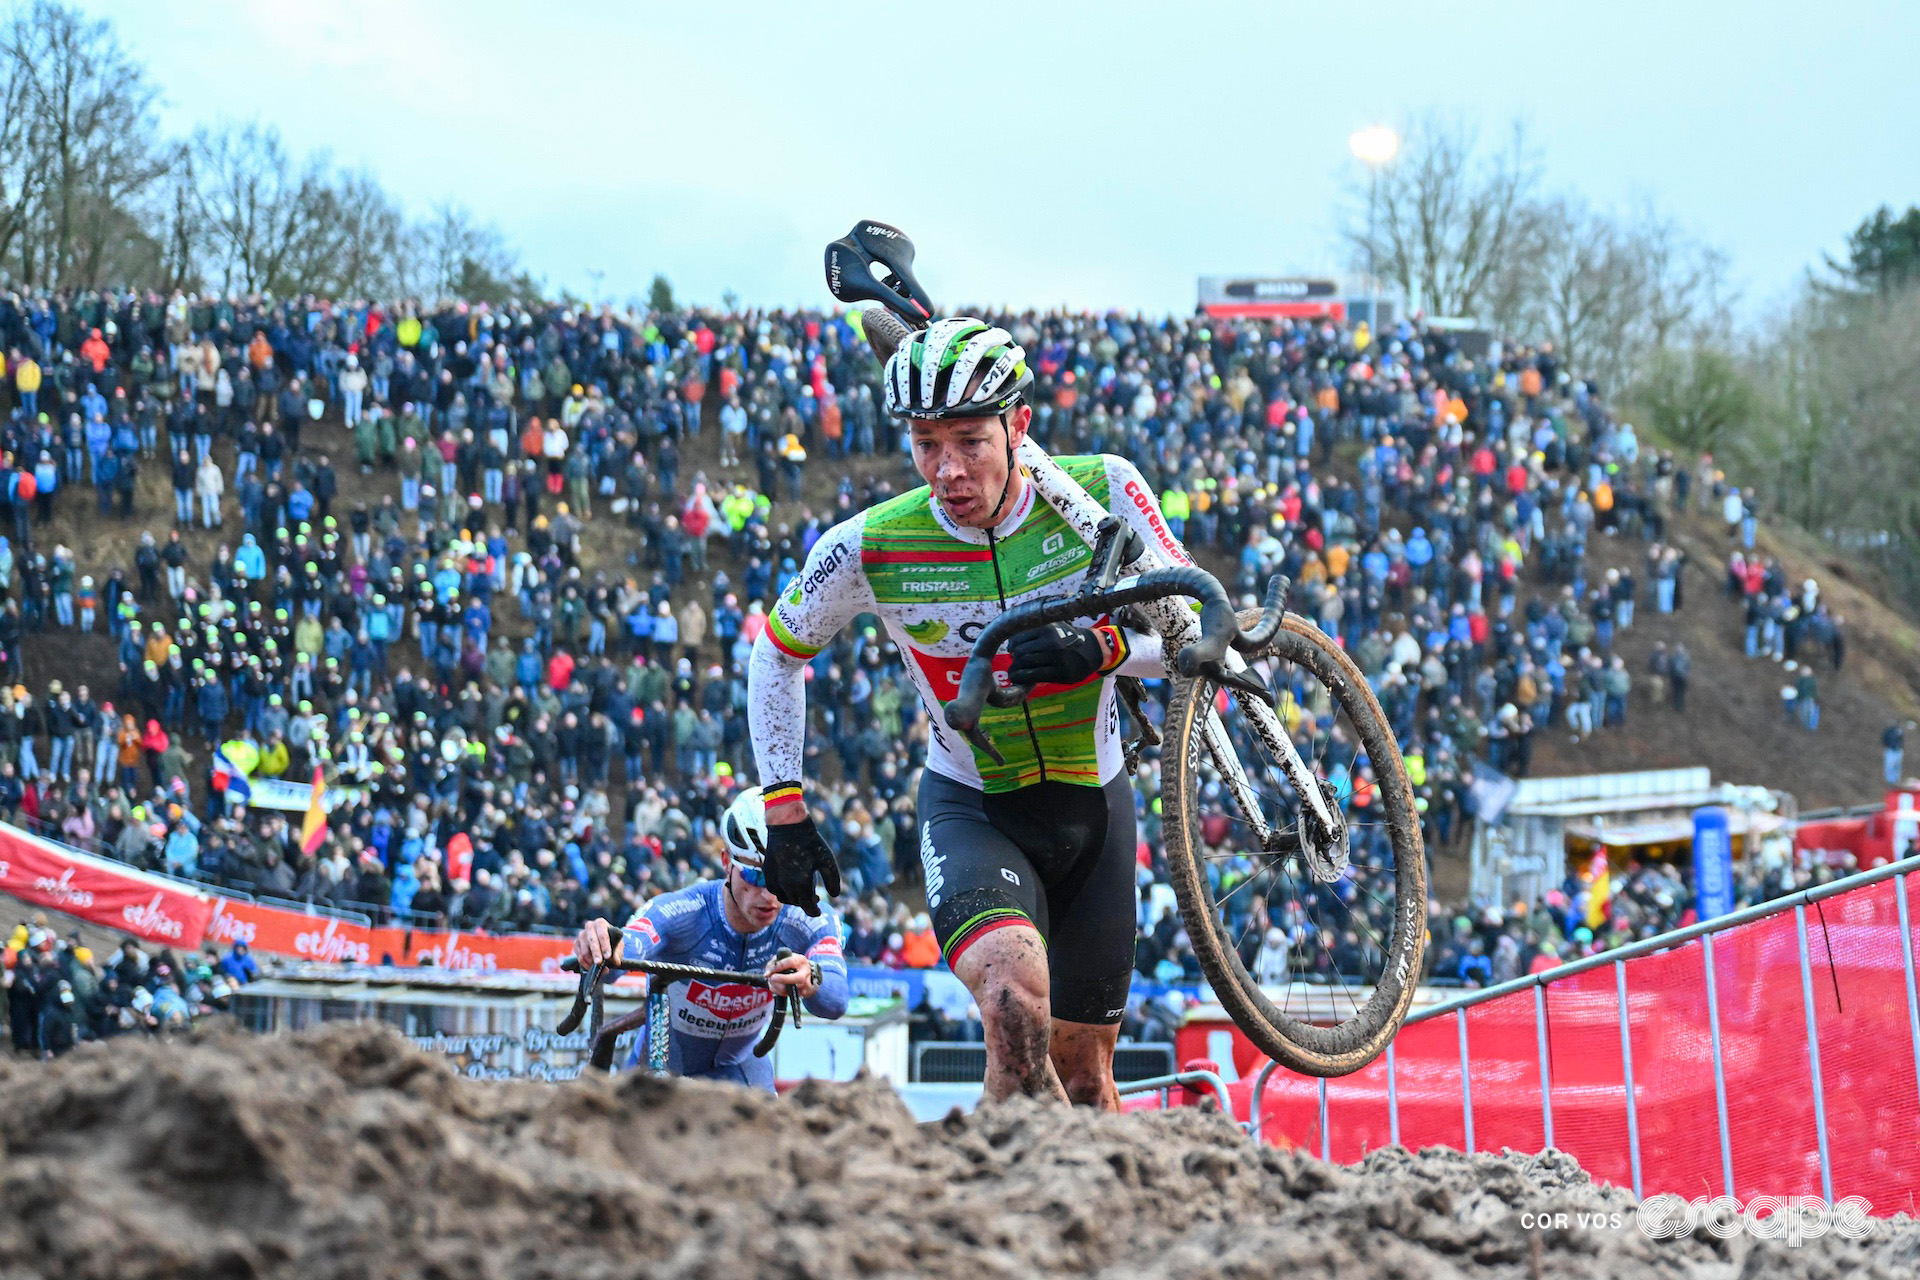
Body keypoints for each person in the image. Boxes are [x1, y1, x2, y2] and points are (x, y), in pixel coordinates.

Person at [748, 317, 1177, 1110]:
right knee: (1012, 1005)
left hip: (1098, 809)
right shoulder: (870, 544)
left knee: (1085, 1082)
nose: (947, 470)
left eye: (971, 442)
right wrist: (785, 812)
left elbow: (1203, 642)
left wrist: (1105, 651)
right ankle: (1007, 1213)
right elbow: (776, 653)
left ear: (1019, 426)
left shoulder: (1102, 492)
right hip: (972, 806)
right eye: (925, 445)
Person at [570, 786, 848, 1092]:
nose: (770, 895)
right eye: (756, 876)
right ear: (727, 861)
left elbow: (835, 1001)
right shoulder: (683, 911)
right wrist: (599, 945)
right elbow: (620, 957)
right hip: (660, 1070)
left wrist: (813, 978)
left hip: (739, 1070)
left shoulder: (807, 916)